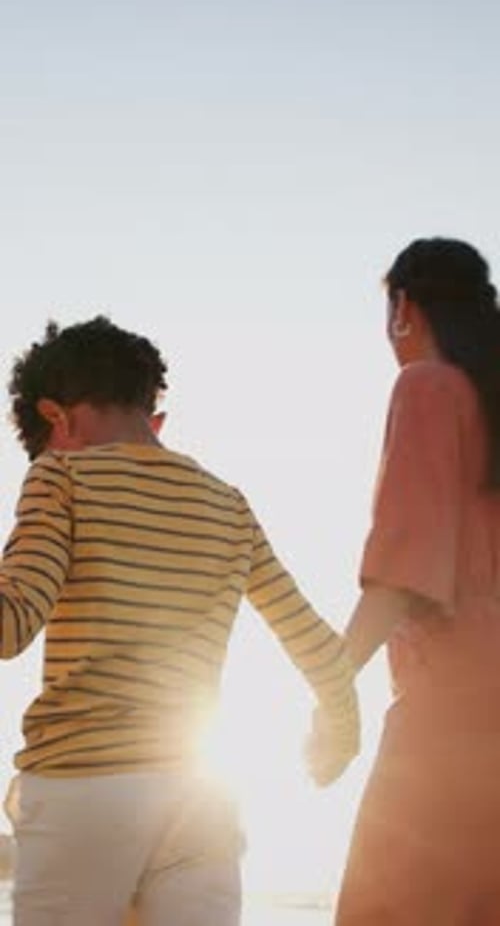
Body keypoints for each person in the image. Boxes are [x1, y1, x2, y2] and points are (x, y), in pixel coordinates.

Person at [1, 316, 359, 926]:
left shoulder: (61, 477)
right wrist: (339, 731)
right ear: (154, 418)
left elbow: (12, 626)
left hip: (85, 788)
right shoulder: (229, 503)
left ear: (57, 419)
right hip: (199, 800)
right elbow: (317, 644)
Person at [322, 238, 500, 924]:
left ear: (404, 307)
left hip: (450, 713)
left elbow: (404, 571)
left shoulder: (429, 386)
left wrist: (329, 688)